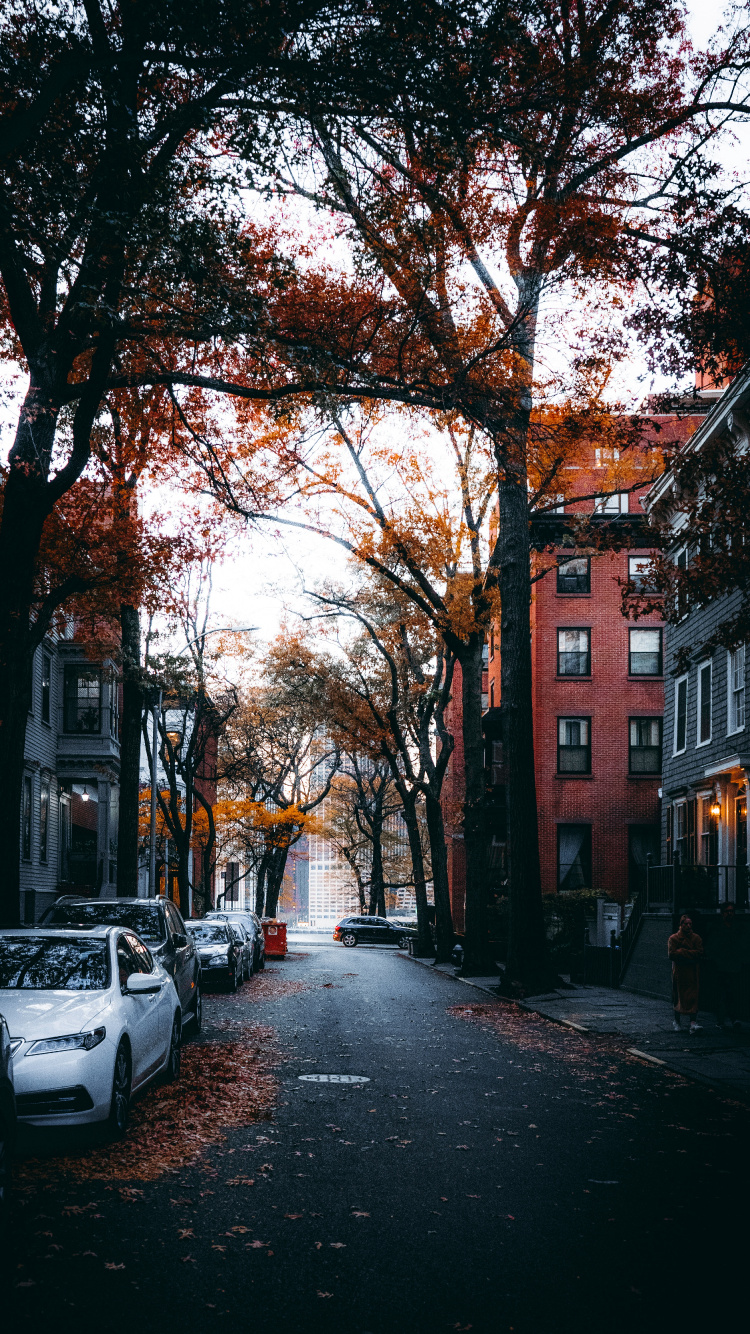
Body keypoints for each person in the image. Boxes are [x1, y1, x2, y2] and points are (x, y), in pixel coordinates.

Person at [706, 903, 743, 1029]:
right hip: (720, 966)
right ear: (722, 913)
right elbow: (712, 946)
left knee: (733, 993)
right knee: (721, 994)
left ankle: (733, 1018)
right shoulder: (717, 928)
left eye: (732, 911)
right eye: (727, 911)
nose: (730, 913)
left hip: (733, 966)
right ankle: (721, 1020)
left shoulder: (737, 928)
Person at [668, 914, 704, 1034]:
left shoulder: (696, 938)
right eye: (686, 924)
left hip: (692, 971)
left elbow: (699, 953)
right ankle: (677, 1021)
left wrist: (682, 951)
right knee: (678, 996)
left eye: (690, 924)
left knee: (693, 996)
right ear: (681, 925)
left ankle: (692, 1023)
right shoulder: (674, 938)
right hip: (680, 971)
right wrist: (689, 953)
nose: (688, 926)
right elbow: (672, 954)